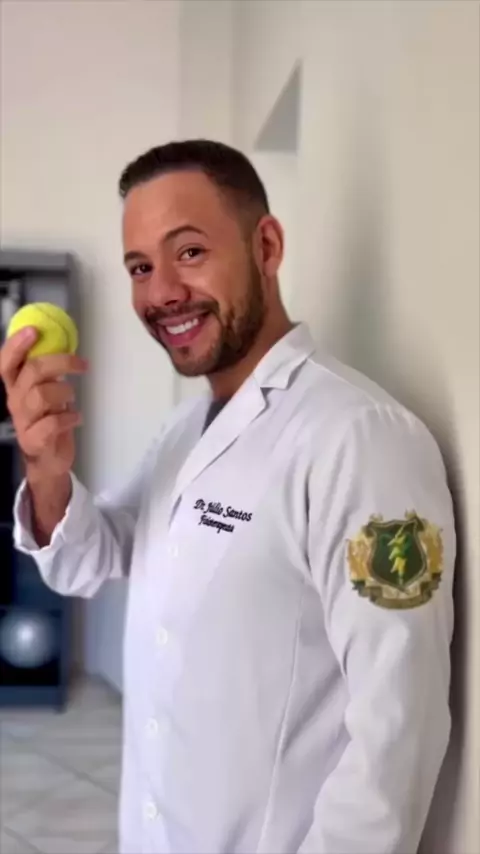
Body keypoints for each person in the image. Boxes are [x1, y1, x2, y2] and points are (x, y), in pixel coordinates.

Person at [0, 140, 455, 854]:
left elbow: (399, 729)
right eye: (140, 268)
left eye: (188, 252)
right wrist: (47, 468)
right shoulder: (187, 429)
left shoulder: (362, 440)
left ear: (266, 246)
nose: (161, 293)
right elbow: (93, 558)